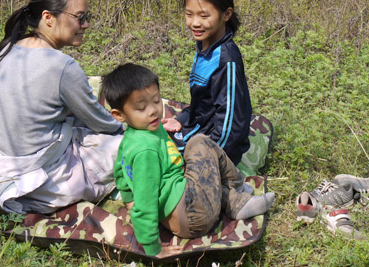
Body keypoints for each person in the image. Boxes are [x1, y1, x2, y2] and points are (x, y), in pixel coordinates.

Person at [0, 0, 123, 214]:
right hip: (38, 177)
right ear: (48, 17)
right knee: (128, 145)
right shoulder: (62, 66)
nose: (86, 24)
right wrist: (133, 127)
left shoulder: (7, 48)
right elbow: (101, 123)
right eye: (80, 17)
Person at [102, 63, 274, 258]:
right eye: (141, 108)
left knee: (195, 150)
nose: (153, 111)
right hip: (193, 215)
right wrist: (153, 248)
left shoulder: (132, 137)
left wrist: (128, 201)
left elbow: (121, 175)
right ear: (119, 115)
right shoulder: (146, 151)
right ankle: (237, 191)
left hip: (184, 210)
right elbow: (145, 203)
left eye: (157, 101)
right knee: (200, 143)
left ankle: (231, 197)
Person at [162, 0, 252, 165]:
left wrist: (207, 161)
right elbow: (203, 103)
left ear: (226, 14)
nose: (195, 23)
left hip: (215, 147)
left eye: (204, 16)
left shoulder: (226, 60)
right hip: (198, 130)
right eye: (189, 14)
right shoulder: (204, 47)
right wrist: (183, 119)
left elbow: (230, 124)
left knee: (157, 153)